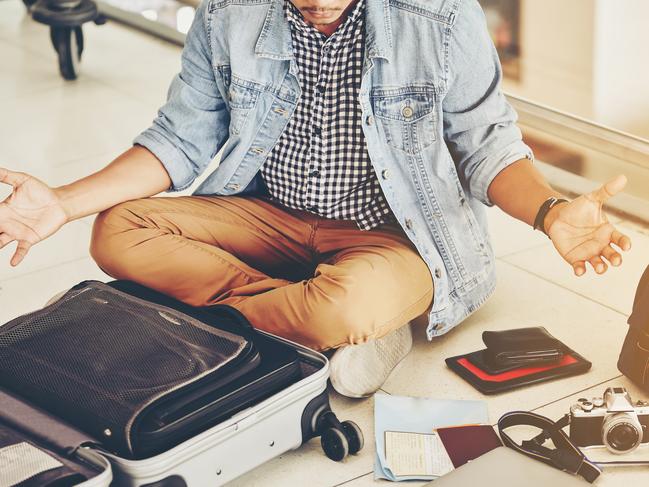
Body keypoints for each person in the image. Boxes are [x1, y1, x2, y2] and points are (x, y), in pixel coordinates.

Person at [0, 0, 632, 398]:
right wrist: (61, 200)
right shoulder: (227, 14)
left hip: (395, 238)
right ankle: (320, 324)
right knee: (116, 229)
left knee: (347, 300)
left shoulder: (439, 16)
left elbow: (485, 143)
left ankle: (255, 318)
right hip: (268, 217)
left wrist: (550, 213)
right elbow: (180, 139)